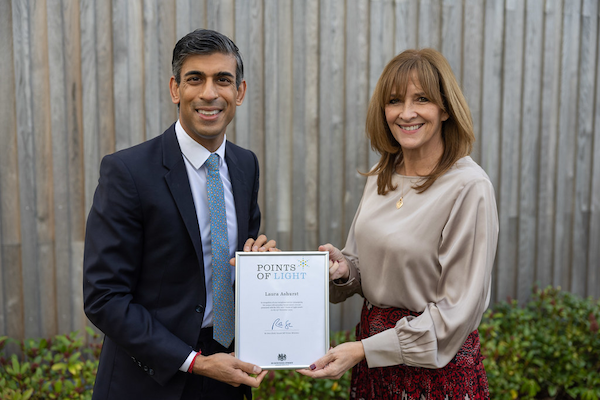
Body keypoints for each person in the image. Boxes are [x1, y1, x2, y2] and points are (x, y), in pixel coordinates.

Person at [83, 29, 275, 400]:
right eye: (194, 79)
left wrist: (259, 269)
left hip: (229, 373)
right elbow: (104, 297)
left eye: (222, 79)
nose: (209, 93)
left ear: (240, 91)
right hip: (149, 380)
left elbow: (234, 268)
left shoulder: (245, 165)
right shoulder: (128, 172)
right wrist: (195, 361)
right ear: (175, 89)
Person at [298, 48, 499, 399]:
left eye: (421, 99)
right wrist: (346, 269)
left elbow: (454, 316)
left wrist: (363, 350)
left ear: (445, 109)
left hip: (436, 375)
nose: (406, 113)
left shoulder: (470, 187)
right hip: (376, 367)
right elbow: (368, 264)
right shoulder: (382, 173)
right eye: (394, 101)